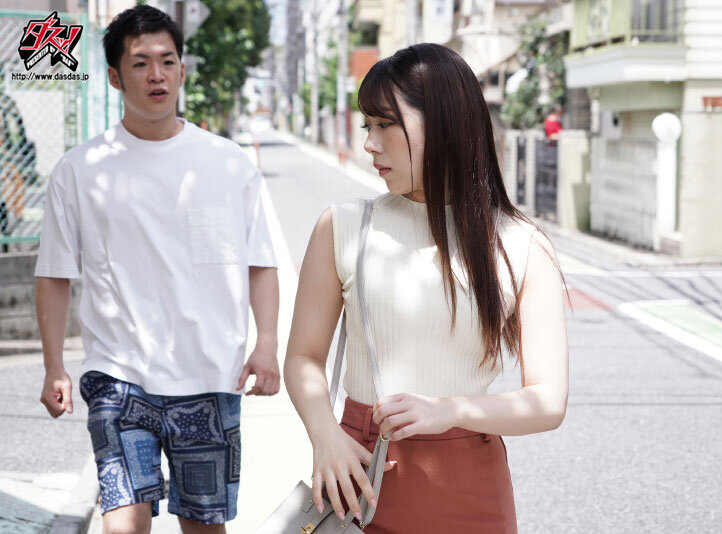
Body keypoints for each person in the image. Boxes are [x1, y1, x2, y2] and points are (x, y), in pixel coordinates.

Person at [284, 43, 569, 532]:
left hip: (471, 489)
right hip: (360, 477)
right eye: (367, 126)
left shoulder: (522, 244)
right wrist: (324, 435)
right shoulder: (344, 226)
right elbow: (304, 357)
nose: (370, 144)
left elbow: (548, 400)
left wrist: (451, 410)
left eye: (385, 124)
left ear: (443, 123)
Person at [35, 5, 279, 533]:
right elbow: (53, 274)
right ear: (114, 77)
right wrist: (54, 365)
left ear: (182, 70)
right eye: (140, 63)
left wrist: (266, 344)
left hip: (210, 374)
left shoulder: (228, 163)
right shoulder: (79, 170)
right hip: (118, 376)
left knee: (203, 527)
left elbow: (260, 262)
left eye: (167, 61)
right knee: (123, 523)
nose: (156, 75)